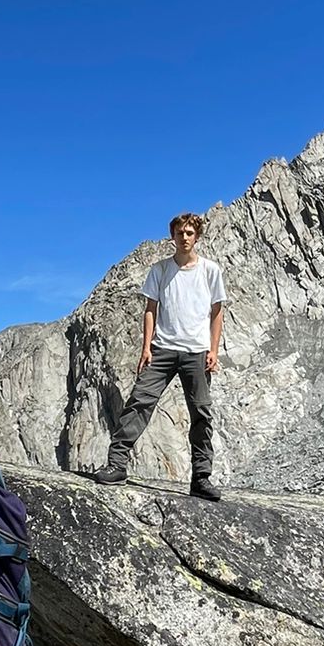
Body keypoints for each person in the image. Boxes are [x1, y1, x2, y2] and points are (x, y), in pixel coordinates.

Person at [91, 211, 226, 499]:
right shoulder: (160, 270)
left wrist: (214, 349)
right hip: (163, 349)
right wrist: (146, 347)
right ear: (172, 236)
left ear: (197, 236)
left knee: (201, 412)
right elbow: (150, 309)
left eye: (190, 233)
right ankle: (117, 465)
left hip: (197, 352)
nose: (185, 237)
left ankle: (201, 478)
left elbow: (217, 312)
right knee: (140, 401)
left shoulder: (210, 271)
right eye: (180, 233)